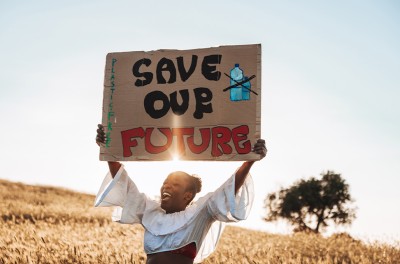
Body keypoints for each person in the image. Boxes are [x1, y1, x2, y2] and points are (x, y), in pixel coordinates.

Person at [95, 124, 267, 264]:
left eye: (175, 185)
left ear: (187, 195)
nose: (166, 187)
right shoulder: (150, 212)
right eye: (165, 183)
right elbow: (124, 184)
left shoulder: (200, 212)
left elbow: (229, 187)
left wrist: (250, 160)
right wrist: (108, 148)